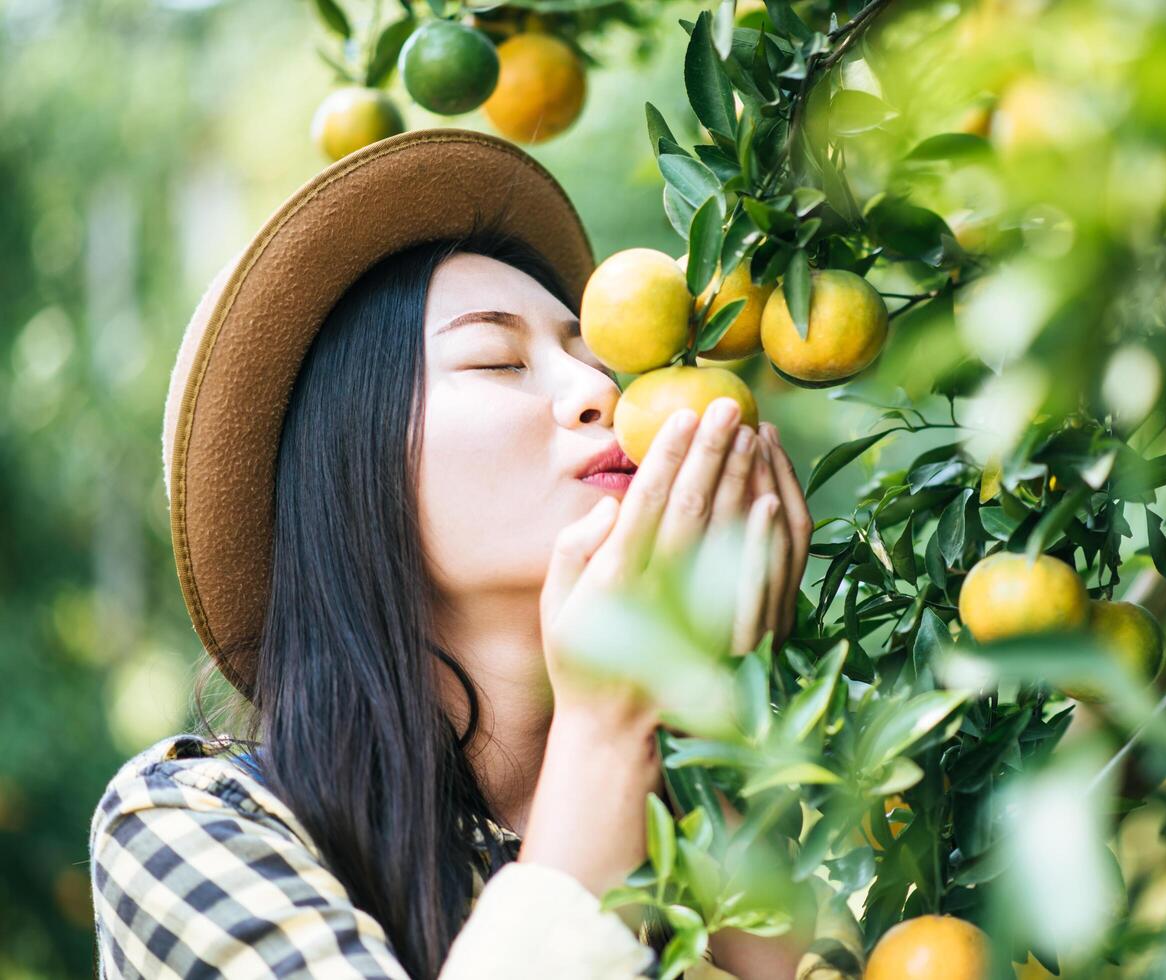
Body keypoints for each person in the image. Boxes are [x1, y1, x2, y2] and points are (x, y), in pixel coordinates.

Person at [88, 130, 863, 979]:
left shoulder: (742, 832)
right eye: (497, 360)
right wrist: (607, 727)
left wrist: (714, 739)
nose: (600, 391)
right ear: (355, 469)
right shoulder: (194, 825)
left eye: (594, 356)